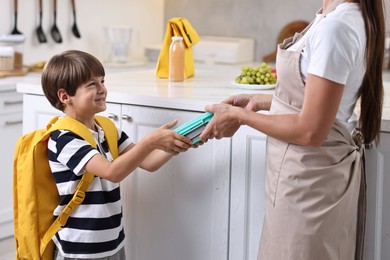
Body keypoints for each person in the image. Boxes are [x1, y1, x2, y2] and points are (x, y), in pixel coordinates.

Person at [200, 0, 384, 259]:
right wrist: (258, 103)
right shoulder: (338, 17)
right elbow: (315, 102)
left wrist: (240, 117)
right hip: (310, 181)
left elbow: (311, 130)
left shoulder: (336, 27)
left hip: (309, 185)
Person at [41, 50, 193, 259]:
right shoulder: (63, 138)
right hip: (80, 247)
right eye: (91, 84)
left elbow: (149, 162)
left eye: (102, 81)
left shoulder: (107, 129)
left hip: (112, 240)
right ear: (65, 96)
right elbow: (111, 172)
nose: (102, 89)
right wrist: (151, 141)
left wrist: (186, 139)